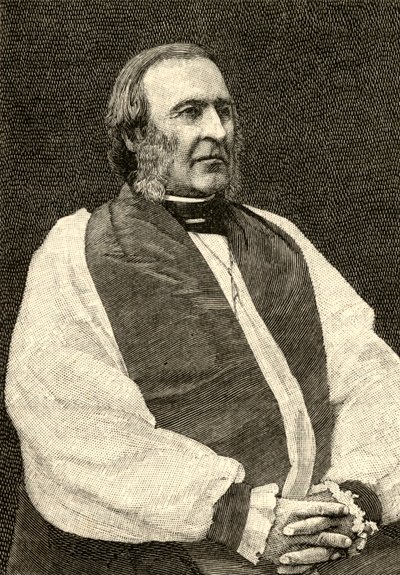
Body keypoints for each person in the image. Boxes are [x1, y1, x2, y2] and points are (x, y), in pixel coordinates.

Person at [5, 43, 400, 575]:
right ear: (136, 136)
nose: (217, 130)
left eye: (224, 111)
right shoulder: (78, 251)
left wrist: (353, 498)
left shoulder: (277, 238)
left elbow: (372, 377)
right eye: (190, 112)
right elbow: (72, 424)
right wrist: (239, 518)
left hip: (317, 539)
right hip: (162, 549)